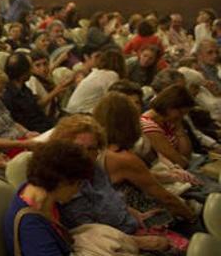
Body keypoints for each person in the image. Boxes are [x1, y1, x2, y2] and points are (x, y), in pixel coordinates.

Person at [52, 115, 171, 252]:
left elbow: (110, 198)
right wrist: (140, 242)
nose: (85, 154)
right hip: (114, 246)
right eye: (78, 148)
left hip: (132, 227)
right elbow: (91, 234)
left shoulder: (95, 168)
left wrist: (135, 213)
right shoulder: (66, 186)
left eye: (91, 148)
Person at [93, 92, 198, 225]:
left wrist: (172, 174)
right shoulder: (123, 158)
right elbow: (165, 198)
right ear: (131, 122)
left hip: (121, 213)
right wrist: (192, 217)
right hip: (138, 217)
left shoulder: (99, 149)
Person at [3, 141, 96, 256]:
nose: (78, 190)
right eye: (78, 183)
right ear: (62, 183)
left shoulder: (34, 189)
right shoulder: (31, 228)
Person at [140, 85, 195, 169]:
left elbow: (186, 155)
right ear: (170, 107)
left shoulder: (167, 121)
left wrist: (179, 128)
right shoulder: (148, 126)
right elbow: (178, 161)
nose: (181, 117)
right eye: (181, 113)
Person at [3, 53, 55, 133]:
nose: (31, 71)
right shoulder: (7, 95)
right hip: (34, 134)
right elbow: (20, 123)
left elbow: (38, 112)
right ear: (23, 71)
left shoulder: (24, 89)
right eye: (30, 68)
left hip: (46, 127)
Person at [64, 48, 126, 114]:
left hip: (72, 110)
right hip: (81, 113)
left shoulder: (96, 73)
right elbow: (114, 99)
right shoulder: (110, 75)